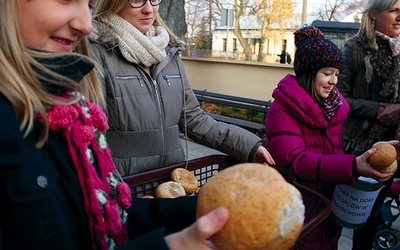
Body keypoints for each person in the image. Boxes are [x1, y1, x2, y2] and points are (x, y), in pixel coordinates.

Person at [0, 0, 231, 249]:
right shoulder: (20, 123)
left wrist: (202, 209)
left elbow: (104, 213)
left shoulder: (64, 111)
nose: (85, 25)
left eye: (88, 5)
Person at [88, 0, 275, 176]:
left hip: (174, 180)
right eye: (137, 0)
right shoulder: (96, 51)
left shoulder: (168, 51)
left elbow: (194, 119)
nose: (149, 9)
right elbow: (91, 132)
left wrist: (248, 147)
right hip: (126, 183)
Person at [265, 26, 394, 250]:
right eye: (326, 73)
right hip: (297, 209)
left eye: (336, 73)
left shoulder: (332, 109)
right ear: (308, 73)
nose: (333, 80)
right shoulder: (282, 110)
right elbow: (296, 161)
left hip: (327, 208)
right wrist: (352, 166)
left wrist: (369, 159)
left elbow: (333, 154)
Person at [337, 0, 400, 248]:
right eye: (394, 10)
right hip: (355, 149)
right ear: (374, 14)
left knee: (371, 220)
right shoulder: (354, 49)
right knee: (340, 214)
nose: (399, 17)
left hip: (391, 154)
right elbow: (338, 99)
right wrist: (379, 110)